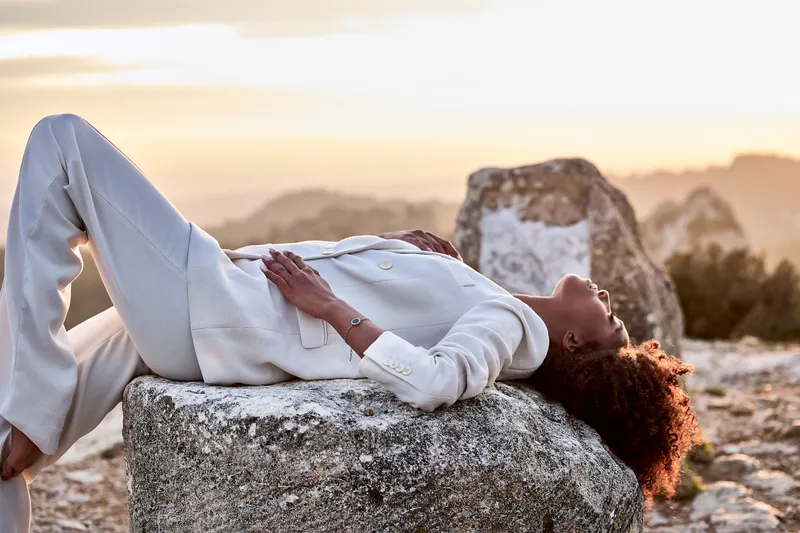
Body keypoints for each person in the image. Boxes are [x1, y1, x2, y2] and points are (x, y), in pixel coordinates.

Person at [0, 114, 698, 531]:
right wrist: (401, 248)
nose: (609, 299)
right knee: (5, 444)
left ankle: (33, 405)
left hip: (213, 307)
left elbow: (434, 378)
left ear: (574, 342)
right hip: (217, 314)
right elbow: (420, 313)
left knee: (62, 143)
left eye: (613, 324)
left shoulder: (511, 325)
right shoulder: (496, 302)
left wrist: (332, 308)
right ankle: (22, 426)